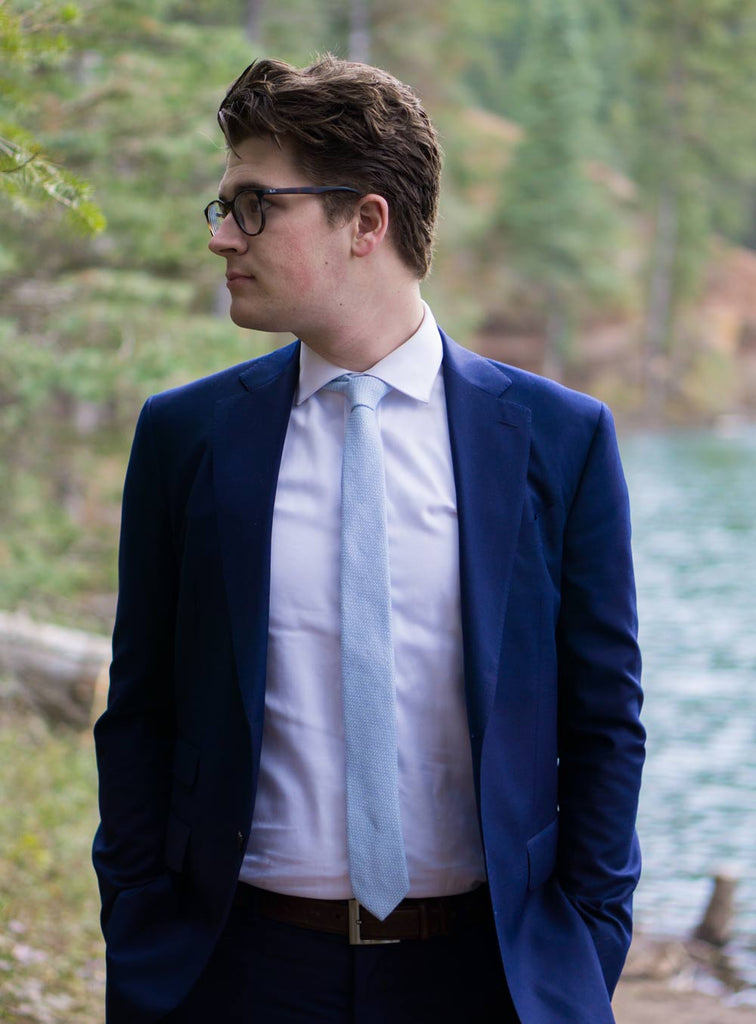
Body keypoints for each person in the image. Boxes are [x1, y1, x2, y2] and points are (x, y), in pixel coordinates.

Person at [93, 54, 645, 1024]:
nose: (224, 235)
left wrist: (586, 935)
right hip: (237, 971)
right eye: (222, 206)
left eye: (256, 204)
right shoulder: (186, 438)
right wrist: (140, 920)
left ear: (367, 222)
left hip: (487, 977)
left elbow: (604, 722)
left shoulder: (562, 440)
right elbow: (139, 714)